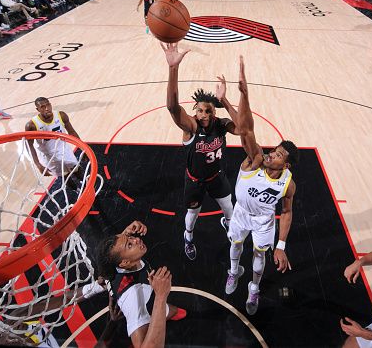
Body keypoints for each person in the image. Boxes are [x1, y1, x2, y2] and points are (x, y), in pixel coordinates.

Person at [224, 55, 298, 315]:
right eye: (274, 151)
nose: (271, 155)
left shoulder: (288, 183)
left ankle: (253, 288)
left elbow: (286, 212)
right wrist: (242, 94)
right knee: (235, 246)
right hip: (241, 213)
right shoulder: (255, 160)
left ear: (285, 165)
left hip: (264, 220)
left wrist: (282, 245)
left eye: (278, 155)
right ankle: (233, 272)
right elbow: (246, 130)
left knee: (258, 258)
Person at [160, 43, 239, 261]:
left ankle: (228, 226)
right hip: (194, 181)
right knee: (192, 215)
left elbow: (242, 128)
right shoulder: (191, 127)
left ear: (214, 112)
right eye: (200, 110)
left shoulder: (221, 124)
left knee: (229, 209)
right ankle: (188, 237)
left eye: (208, 110)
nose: (203, 114)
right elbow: (172, 108)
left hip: (216, 177)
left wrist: (224, 100)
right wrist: (172, 69)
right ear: (195, 110)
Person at [90, 220, 186, 348]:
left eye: (130, 238)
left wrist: (125, 235)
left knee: (173, 311)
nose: (136, 240)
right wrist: (161, 296)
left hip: (147, 301)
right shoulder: (132, 297)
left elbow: (116, 252)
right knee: (170, 311)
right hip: (146, 308)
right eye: (129, 244)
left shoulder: (116, 263)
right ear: (124, 263)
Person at [25, 97, 79, 177]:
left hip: (63, 149)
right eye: (43, 107)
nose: (47, 108)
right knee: (64, 176)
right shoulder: (31, 125)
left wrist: (82, 148)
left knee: (77, 169)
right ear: (38, 109)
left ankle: (85, 184)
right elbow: (29, 145)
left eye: (48, 105)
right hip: (48, 156)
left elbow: (72, 132)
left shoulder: (61, 115)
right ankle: (76, 189)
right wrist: (38, 165)